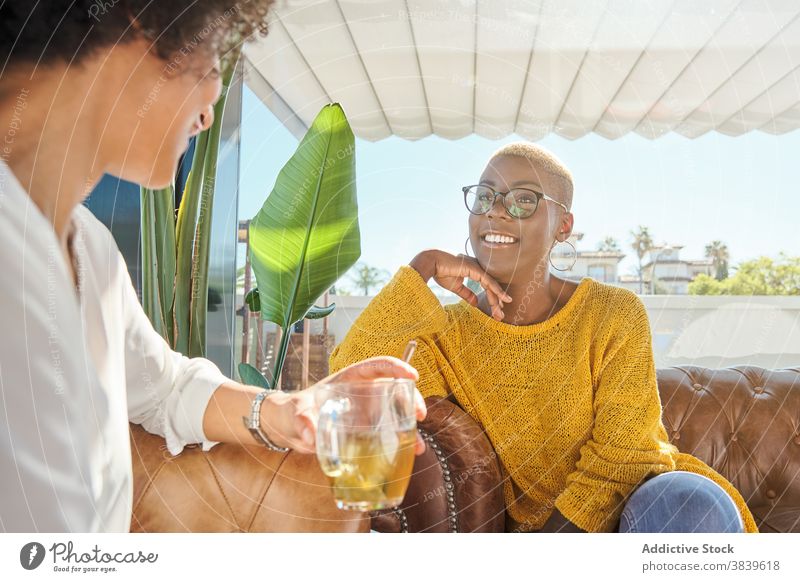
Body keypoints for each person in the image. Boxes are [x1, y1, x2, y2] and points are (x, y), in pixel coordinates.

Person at [0, 1, 425, 532]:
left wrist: (287, 409)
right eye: (209, 63)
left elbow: (162, 388)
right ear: (135, 32)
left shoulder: (92, 250)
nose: (209, 109)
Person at [330, 142, 758, 533]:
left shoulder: (613, 313)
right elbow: (354, 375)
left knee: (689, 506)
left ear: (563, 226)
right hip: (533, 535)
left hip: (643, 506)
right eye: (485, 196)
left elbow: (623, 457)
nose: (496, 211)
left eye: (523, 200)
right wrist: (421, 267)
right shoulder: (447, 334)